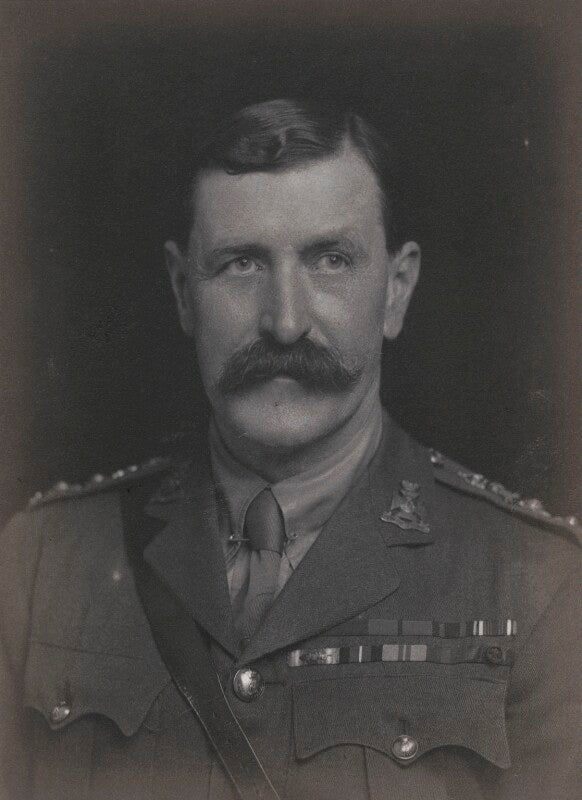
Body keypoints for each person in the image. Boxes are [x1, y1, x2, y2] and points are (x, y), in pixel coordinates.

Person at [0, 98, 580, 800]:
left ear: (396, 290)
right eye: (241, 264)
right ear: (183, 292)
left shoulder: (541, 587)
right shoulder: (39, 566)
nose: (284, 322)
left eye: (330, 260)